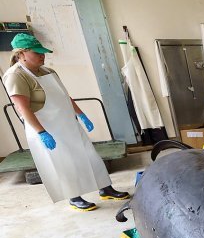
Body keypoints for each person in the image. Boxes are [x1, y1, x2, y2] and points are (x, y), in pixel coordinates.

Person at [2, 33, 129, 211]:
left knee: (89, 155)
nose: (42, 56)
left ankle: (105, 188)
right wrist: (41, 132)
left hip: (67, 122)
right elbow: (23, 109)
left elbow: (64, 95)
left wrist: (81, 114)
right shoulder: (15, 75)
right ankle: (74, 197)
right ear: (21, 54)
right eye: (37, 53)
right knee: (63, 161)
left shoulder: (48, 71)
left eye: (42, 52)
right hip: (46, 127)